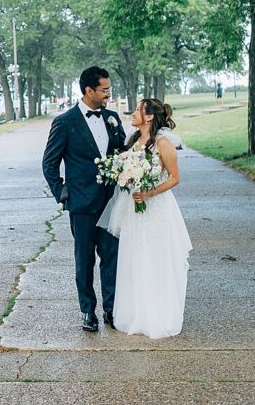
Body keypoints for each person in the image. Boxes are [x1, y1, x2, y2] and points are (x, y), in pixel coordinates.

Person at [97, 98, 192, 337]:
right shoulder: (132, 142)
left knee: (154, 261)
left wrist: (150, 192)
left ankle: (157, 315)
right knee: (134, 259)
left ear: (149, 116)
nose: (134, 113)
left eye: (138, 110)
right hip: (134, 210)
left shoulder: (163, 143)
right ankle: (134, 314)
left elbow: (174, 178)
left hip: (156, 209)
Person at [41, 66, 126, 331]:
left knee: (112, 256)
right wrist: (63, 195)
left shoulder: (112, 118)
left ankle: (112, 309)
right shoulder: (64, 122)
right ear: (88, 90)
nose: (108, 95)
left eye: (109, 90)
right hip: (81, 204)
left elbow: (122, 153)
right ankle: (88, 311)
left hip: (111, 201)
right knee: (85, 259)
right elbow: (49, 164)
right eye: (104, 90)